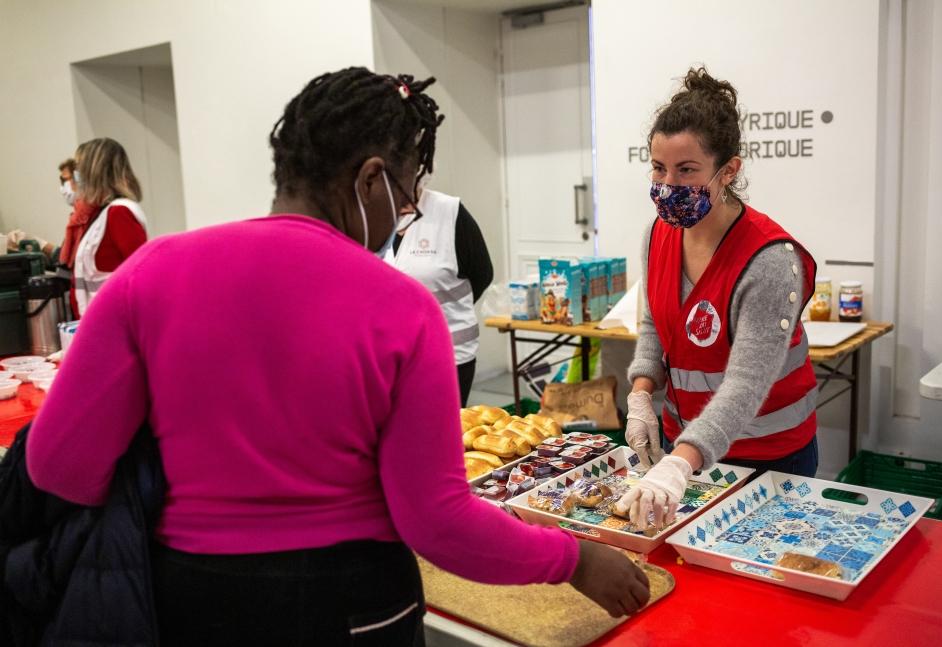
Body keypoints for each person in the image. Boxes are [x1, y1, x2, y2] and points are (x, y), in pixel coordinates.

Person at [26, 67, 650, 645]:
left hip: (187, 598)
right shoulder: (401, 310)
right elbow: (438, 523)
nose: (404, 215)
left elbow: (58, 466)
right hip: (353, 607)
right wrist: (575, 559)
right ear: (370, 178)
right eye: (405, 195)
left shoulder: (153, 272)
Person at [620, 67, 818, 533]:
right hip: (688, 448)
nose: (668, 183)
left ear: (729, 170)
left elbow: (747, 382)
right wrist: (642, 394)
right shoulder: (659, 234)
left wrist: (679, 464)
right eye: (658, 167)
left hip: (768, 457)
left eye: (686, 170)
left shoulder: (769, 259)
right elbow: (655, 324)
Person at [384, 183, 493, 406]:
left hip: (449, 354)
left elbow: (482, 273)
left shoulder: (449, 211)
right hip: (388, 356)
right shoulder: (370, 215)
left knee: (438, 433)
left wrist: (443, 311)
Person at [64, 138, 148, 317]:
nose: (75, 176)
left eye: (78, 168)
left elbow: (142, 273)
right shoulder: (100, 213)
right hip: (97, 322)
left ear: (93, 172)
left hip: (114, 323)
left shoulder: (119, 213)